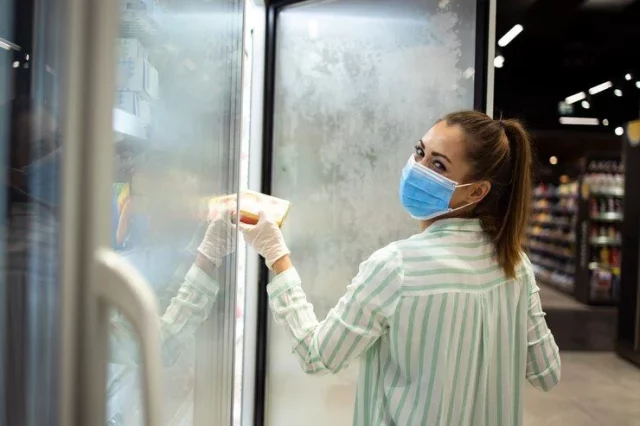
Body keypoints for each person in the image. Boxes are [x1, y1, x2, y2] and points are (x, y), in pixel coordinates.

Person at [240, 110, 561, 426]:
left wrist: (276, 254)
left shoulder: (396, 268)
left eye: (438, 165)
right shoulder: (517, 267)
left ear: (477, 191)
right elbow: (547, 374)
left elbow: (318, 356)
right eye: (420, 152)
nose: (416, 169)